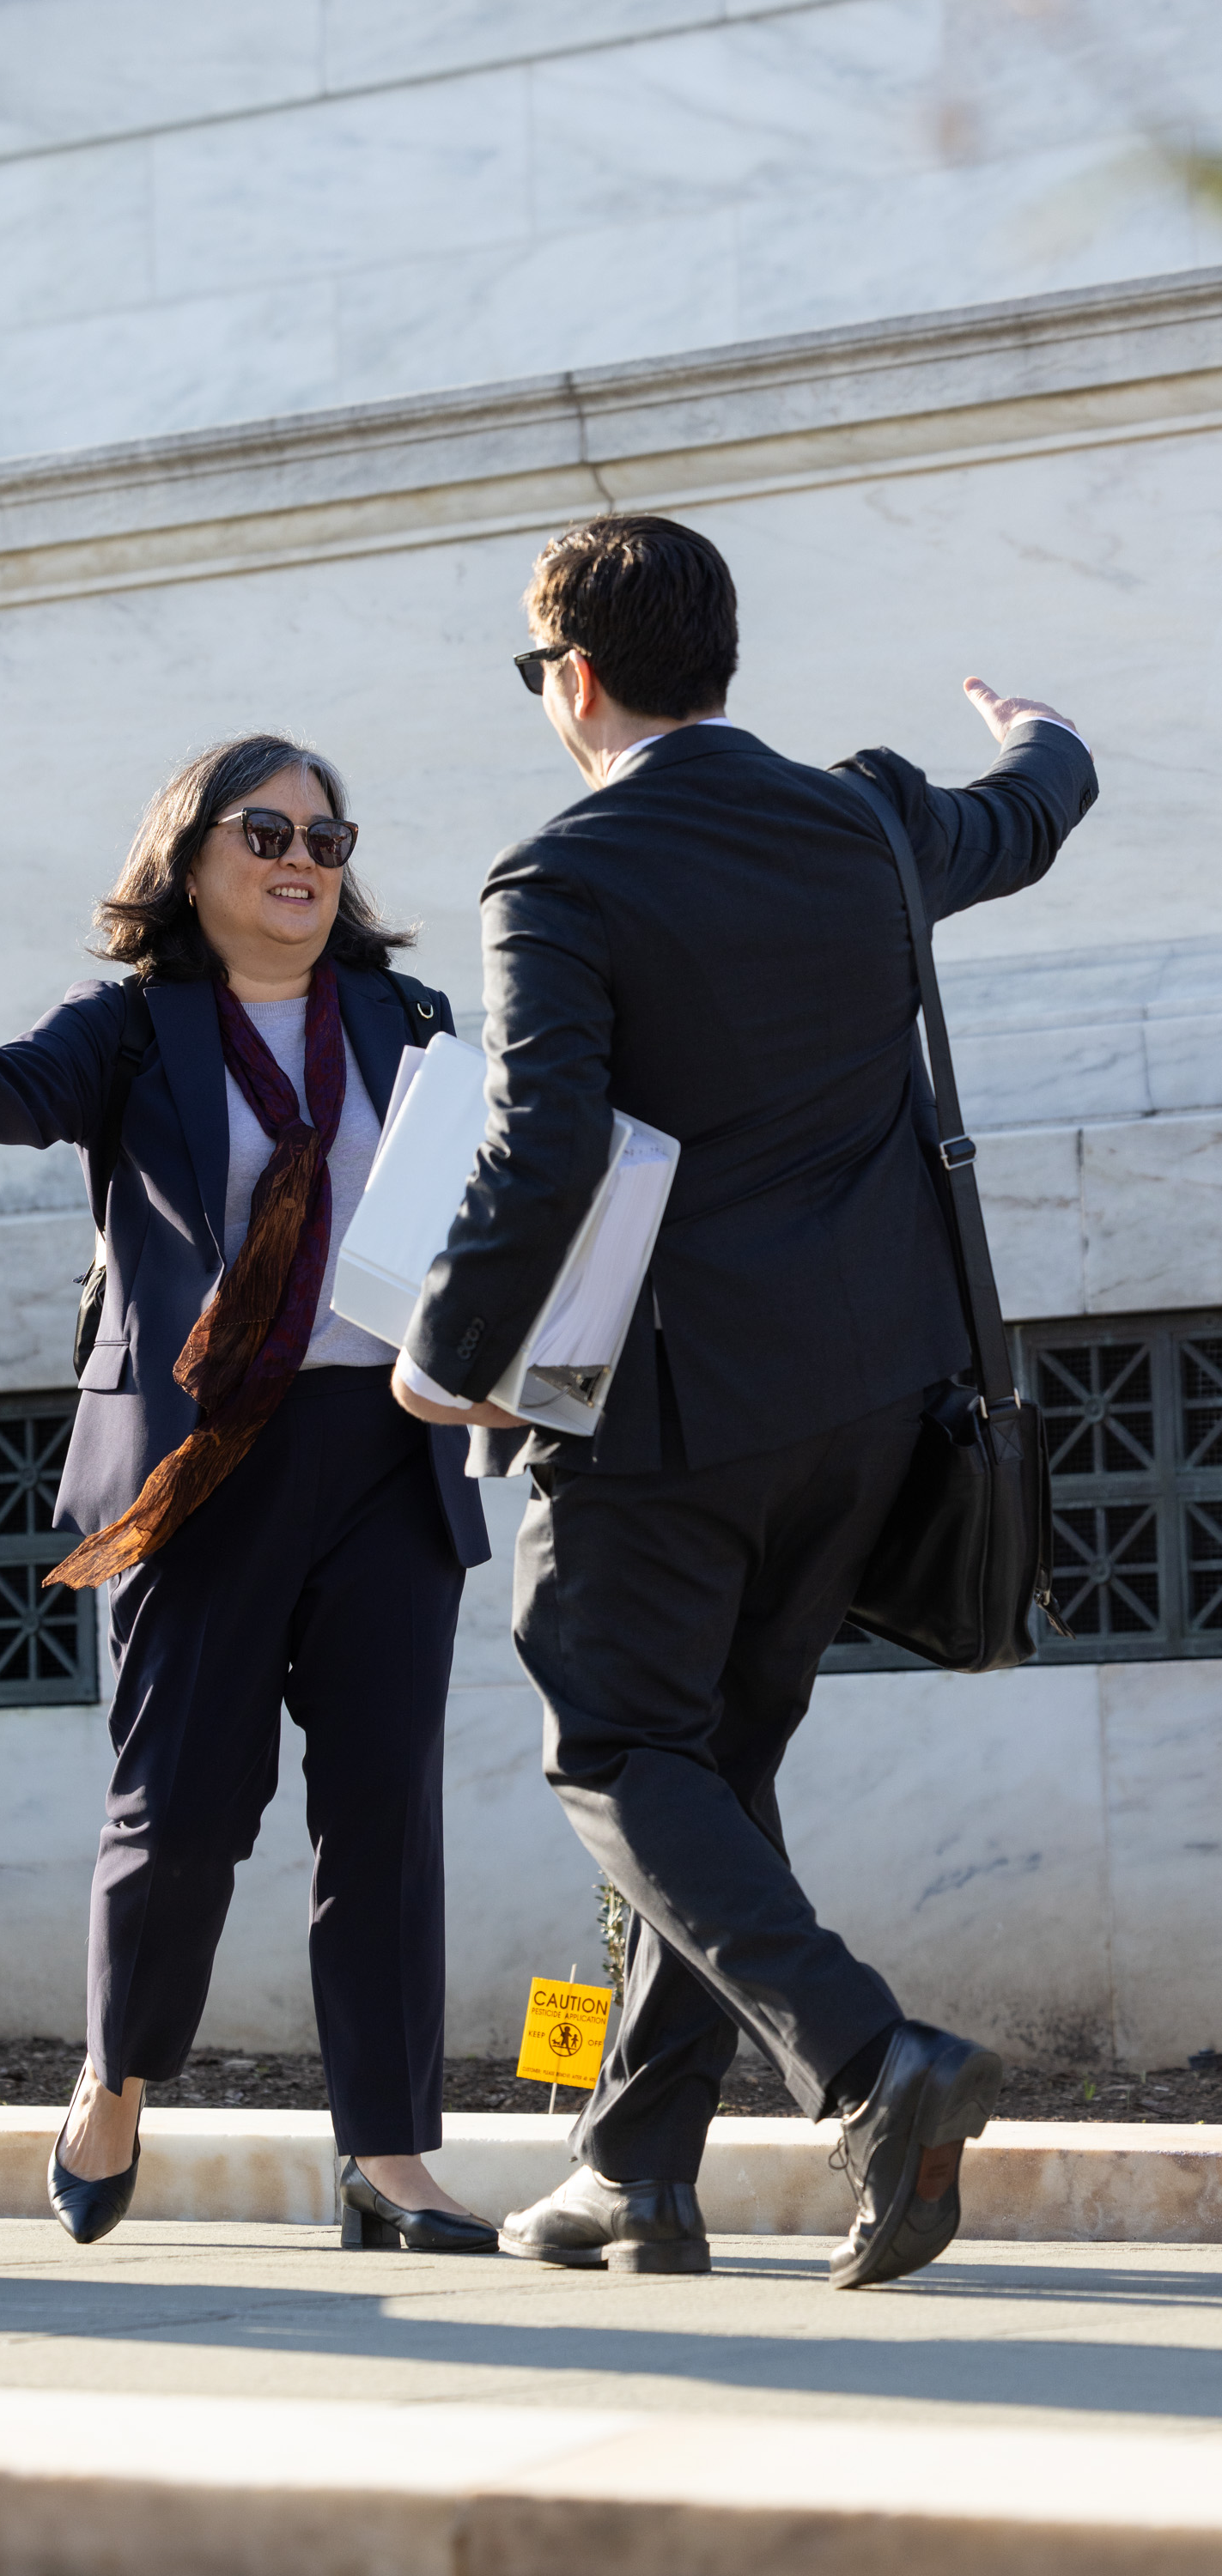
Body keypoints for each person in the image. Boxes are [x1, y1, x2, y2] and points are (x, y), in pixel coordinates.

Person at [392, 514, 1098, 2289]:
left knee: (615, 1750)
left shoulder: (554, 878)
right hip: (873, 1399)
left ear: (572, 677)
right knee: (709, 1775)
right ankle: (630, 2174)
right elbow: (1023, 814)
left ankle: (871, 2062)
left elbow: (537, 1144)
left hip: (658, 1418)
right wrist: (1040, 733)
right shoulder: (862, 822)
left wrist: (439, 1355)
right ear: (716, 659)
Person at [0, 733, 496, 2256]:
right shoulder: (132, 1028)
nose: (303, 857)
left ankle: (389, 2153)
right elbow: (12, 1096)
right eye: (266, 829)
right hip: (205, 1457)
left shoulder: (403, 1016)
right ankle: (116, 2078)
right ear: (191, 856)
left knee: (381, 1810)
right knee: (181, 1810)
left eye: (326, 834)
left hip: (386, 1445)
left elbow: (479, 1199)